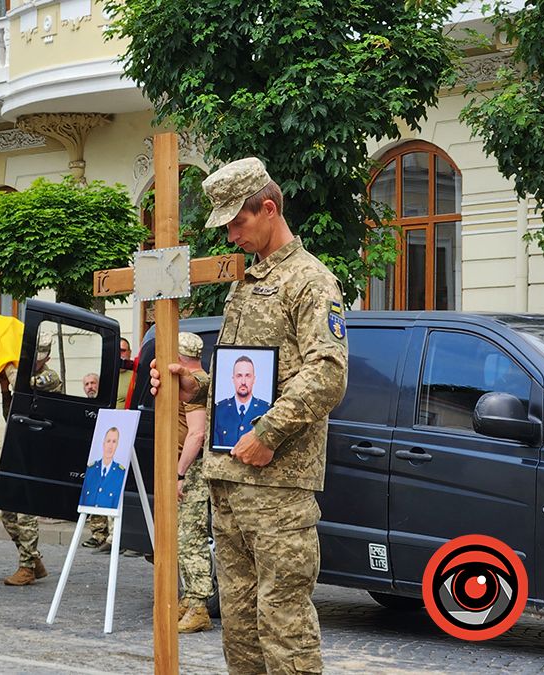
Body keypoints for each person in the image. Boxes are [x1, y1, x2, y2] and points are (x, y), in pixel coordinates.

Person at [150, 157, 348, 674]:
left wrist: (267, 432)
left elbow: (327, 373)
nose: (231, 235)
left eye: (237, 222)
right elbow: (258, 379)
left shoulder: (310, 281)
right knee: (239, 630)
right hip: (228, 481)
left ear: (269, 208)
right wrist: (201, 387)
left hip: (277, 488)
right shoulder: (246, 280)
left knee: (283, 627)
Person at [0, 370, 47, 587]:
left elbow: (32, 384)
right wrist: (5, 388)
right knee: (8, 514)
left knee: (25, 513)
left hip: (36, 452)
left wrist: (12, 372)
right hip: (18, 453)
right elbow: (10, 416)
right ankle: (33, 558)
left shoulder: (48, 376)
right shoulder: (19, 389)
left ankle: (27, 567)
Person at [174, 332, 213, 634]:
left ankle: (199, 605)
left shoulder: (196, 384)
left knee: (191, 537)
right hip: (190, 469)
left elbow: (196, 434)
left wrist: (180, 473)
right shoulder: (199, 377)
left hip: (195, 471)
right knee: (183, 536)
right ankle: (189, 597)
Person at [212, 355, 271, 450]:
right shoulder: (219, 410)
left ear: (254, 379)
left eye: (248, 376)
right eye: (239, 376)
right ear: (233, 379)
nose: (243, 382)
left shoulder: (266, 410)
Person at [79, 427, 127, 508]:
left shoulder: (121, 473)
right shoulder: (91, 470)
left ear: (117, 445)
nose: (110, 446)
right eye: (108, 441)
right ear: (103, 443)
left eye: (114, 442)